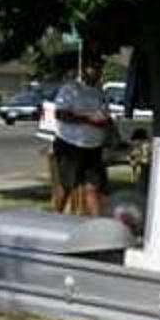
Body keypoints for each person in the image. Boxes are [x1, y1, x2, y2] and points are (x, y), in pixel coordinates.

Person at [52, 62, 114, 216]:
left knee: (93, 187)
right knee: (66, 185)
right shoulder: (71, 89)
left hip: (94, 148)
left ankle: (97, 227)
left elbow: (106, 118)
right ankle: (55, 217)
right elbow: (60, 114)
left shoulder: (100, 93)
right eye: (93, 67)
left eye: (99, 69)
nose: (97, 72)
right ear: (84, 70)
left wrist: (110, 132)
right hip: (71, 145)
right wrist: (88, 118)